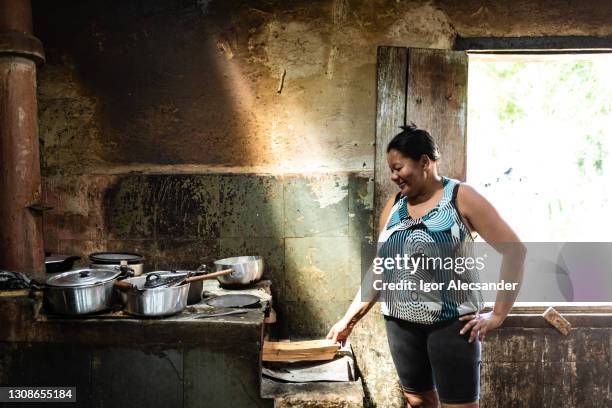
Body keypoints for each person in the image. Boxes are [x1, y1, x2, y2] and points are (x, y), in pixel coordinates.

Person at [326, 123, 525, 408]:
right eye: (391, 170)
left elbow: (515, 251)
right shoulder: (395, 205)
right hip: (400, 324)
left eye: (398, 168)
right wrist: (348, 320)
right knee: (418, 402)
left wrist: (498, 314)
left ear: (424, 162)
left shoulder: (461, 197)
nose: (394, 176)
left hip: (452, 325)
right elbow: (381, 269)